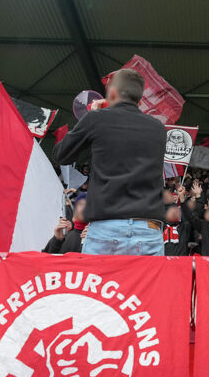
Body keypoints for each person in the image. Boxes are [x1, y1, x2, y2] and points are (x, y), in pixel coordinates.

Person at [53, 69, 167, 255]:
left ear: (112, 93)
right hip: (149, 229)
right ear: (139, 100)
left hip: (106, 228)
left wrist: (90, 118)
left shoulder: (96, 119)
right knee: (147, 286)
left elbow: (61, 155)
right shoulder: (159, 128)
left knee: (98, 285)